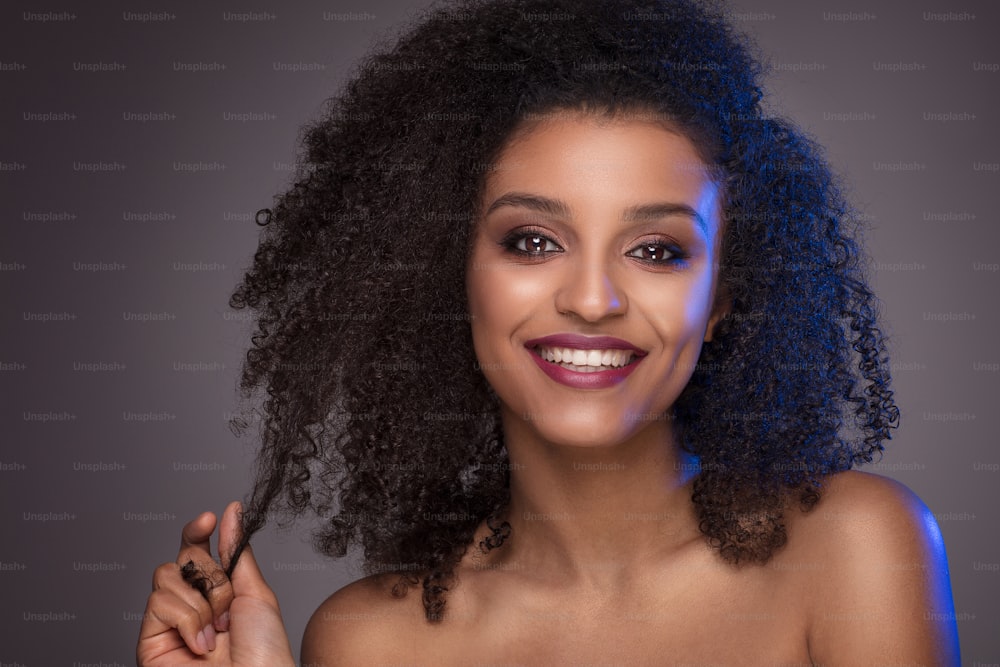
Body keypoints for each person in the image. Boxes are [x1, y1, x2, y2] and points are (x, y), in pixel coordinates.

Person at [136, 0, 962, 664]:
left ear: (720, 299)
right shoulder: (370, 643)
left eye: (656, 249)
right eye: (532, 241)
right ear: (448, 274)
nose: (594, 300)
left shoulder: (855, 550)